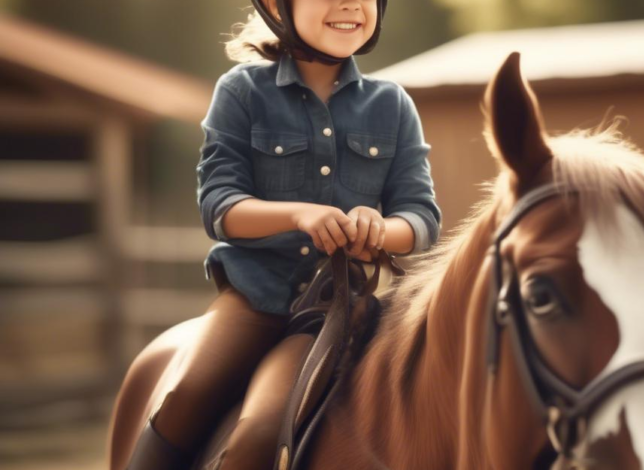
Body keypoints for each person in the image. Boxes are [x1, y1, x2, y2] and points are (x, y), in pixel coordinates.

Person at [124, 0, 441, 468]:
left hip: (336, 308)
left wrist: (379, 229)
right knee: (184, 395)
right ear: (278, 6)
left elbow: (421, 218)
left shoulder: (392, 104)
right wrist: (299, 215)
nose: (350, 4)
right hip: (252, 297)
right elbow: (219, 206)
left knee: (260, 431)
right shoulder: (240, 91)